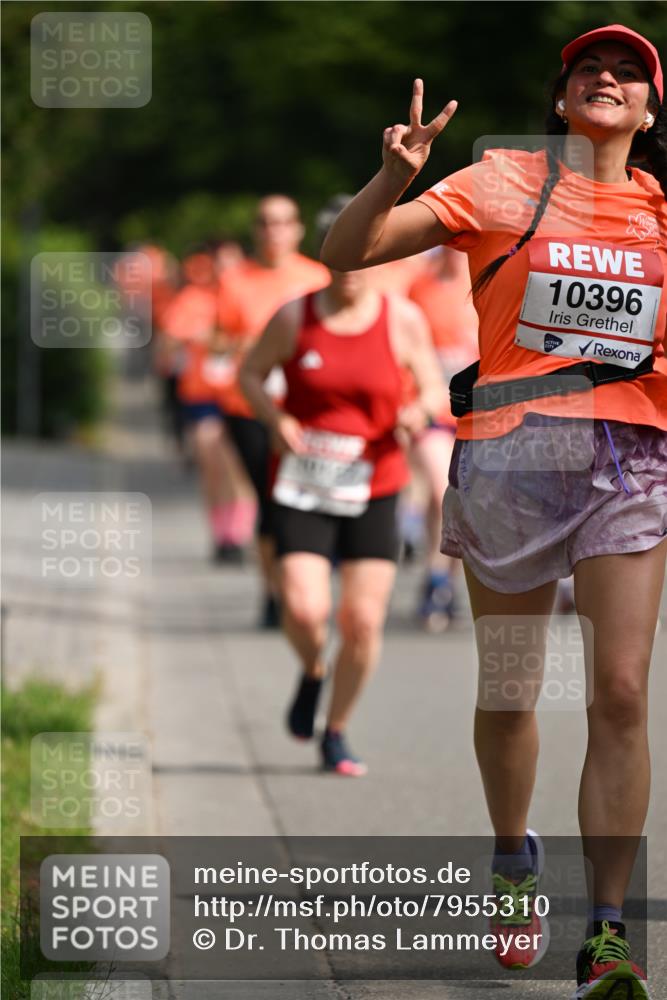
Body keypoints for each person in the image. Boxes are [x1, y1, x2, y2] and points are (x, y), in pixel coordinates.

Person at [321, 23, 666, 999]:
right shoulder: (503, 183)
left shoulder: (661, 212)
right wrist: (394, 177)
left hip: (629, 461)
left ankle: (606, 934)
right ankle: (513, 856)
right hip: (511, 462)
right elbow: (345, 251)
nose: (607, 79)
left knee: (621, 691)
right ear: (560, 100)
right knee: (512, 691)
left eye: (629, 73)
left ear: (649, 111)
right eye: (589, 69)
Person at [240, 198, 446, 775]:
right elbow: (249, 374)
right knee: (305, 609)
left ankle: (335, 729)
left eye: (364, 256)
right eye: (341, 256)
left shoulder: (402, 319)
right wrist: (276, 418)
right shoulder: (294, 317)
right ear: (326, 256)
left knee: (361, 621)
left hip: (375, 485)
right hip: (304, 483)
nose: (352, 268)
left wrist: (418, 412)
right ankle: (313, 669)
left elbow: (433, 386)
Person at [216, 196, 330, 625]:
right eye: (265, 223)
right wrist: (251, 346)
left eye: (283, 222)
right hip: (250, 407)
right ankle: (273, 593)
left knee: (302, 502)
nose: (274, 231)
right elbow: (217, 340)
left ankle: (304, 587)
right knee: (270, 501)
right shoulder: (234, 280)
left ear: (298, 229)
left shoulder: (316, 277)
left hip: (305, 407)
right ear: (255, 230)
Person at [161, 247, 255, 562]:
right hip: (203, 394)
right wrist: (195, 337)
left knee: (239, 466)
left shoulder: (249, 294)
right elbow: (170, 337)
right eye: (220, 265)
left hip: (240, 394)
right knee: (211, 461)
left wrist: (228, 343)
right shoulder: (194, 299)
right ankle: (220, 534)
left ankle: (238, 534)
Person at [407, 246, 479, 629]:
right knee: (441, 491)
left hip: (479, 412)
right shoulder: (420, 288)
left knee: (462, 501)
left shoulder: (490, 283)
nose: (456, 253)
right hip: (434, 409)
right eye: (450, 245)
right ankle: (437, 581)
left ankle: (443, 581)